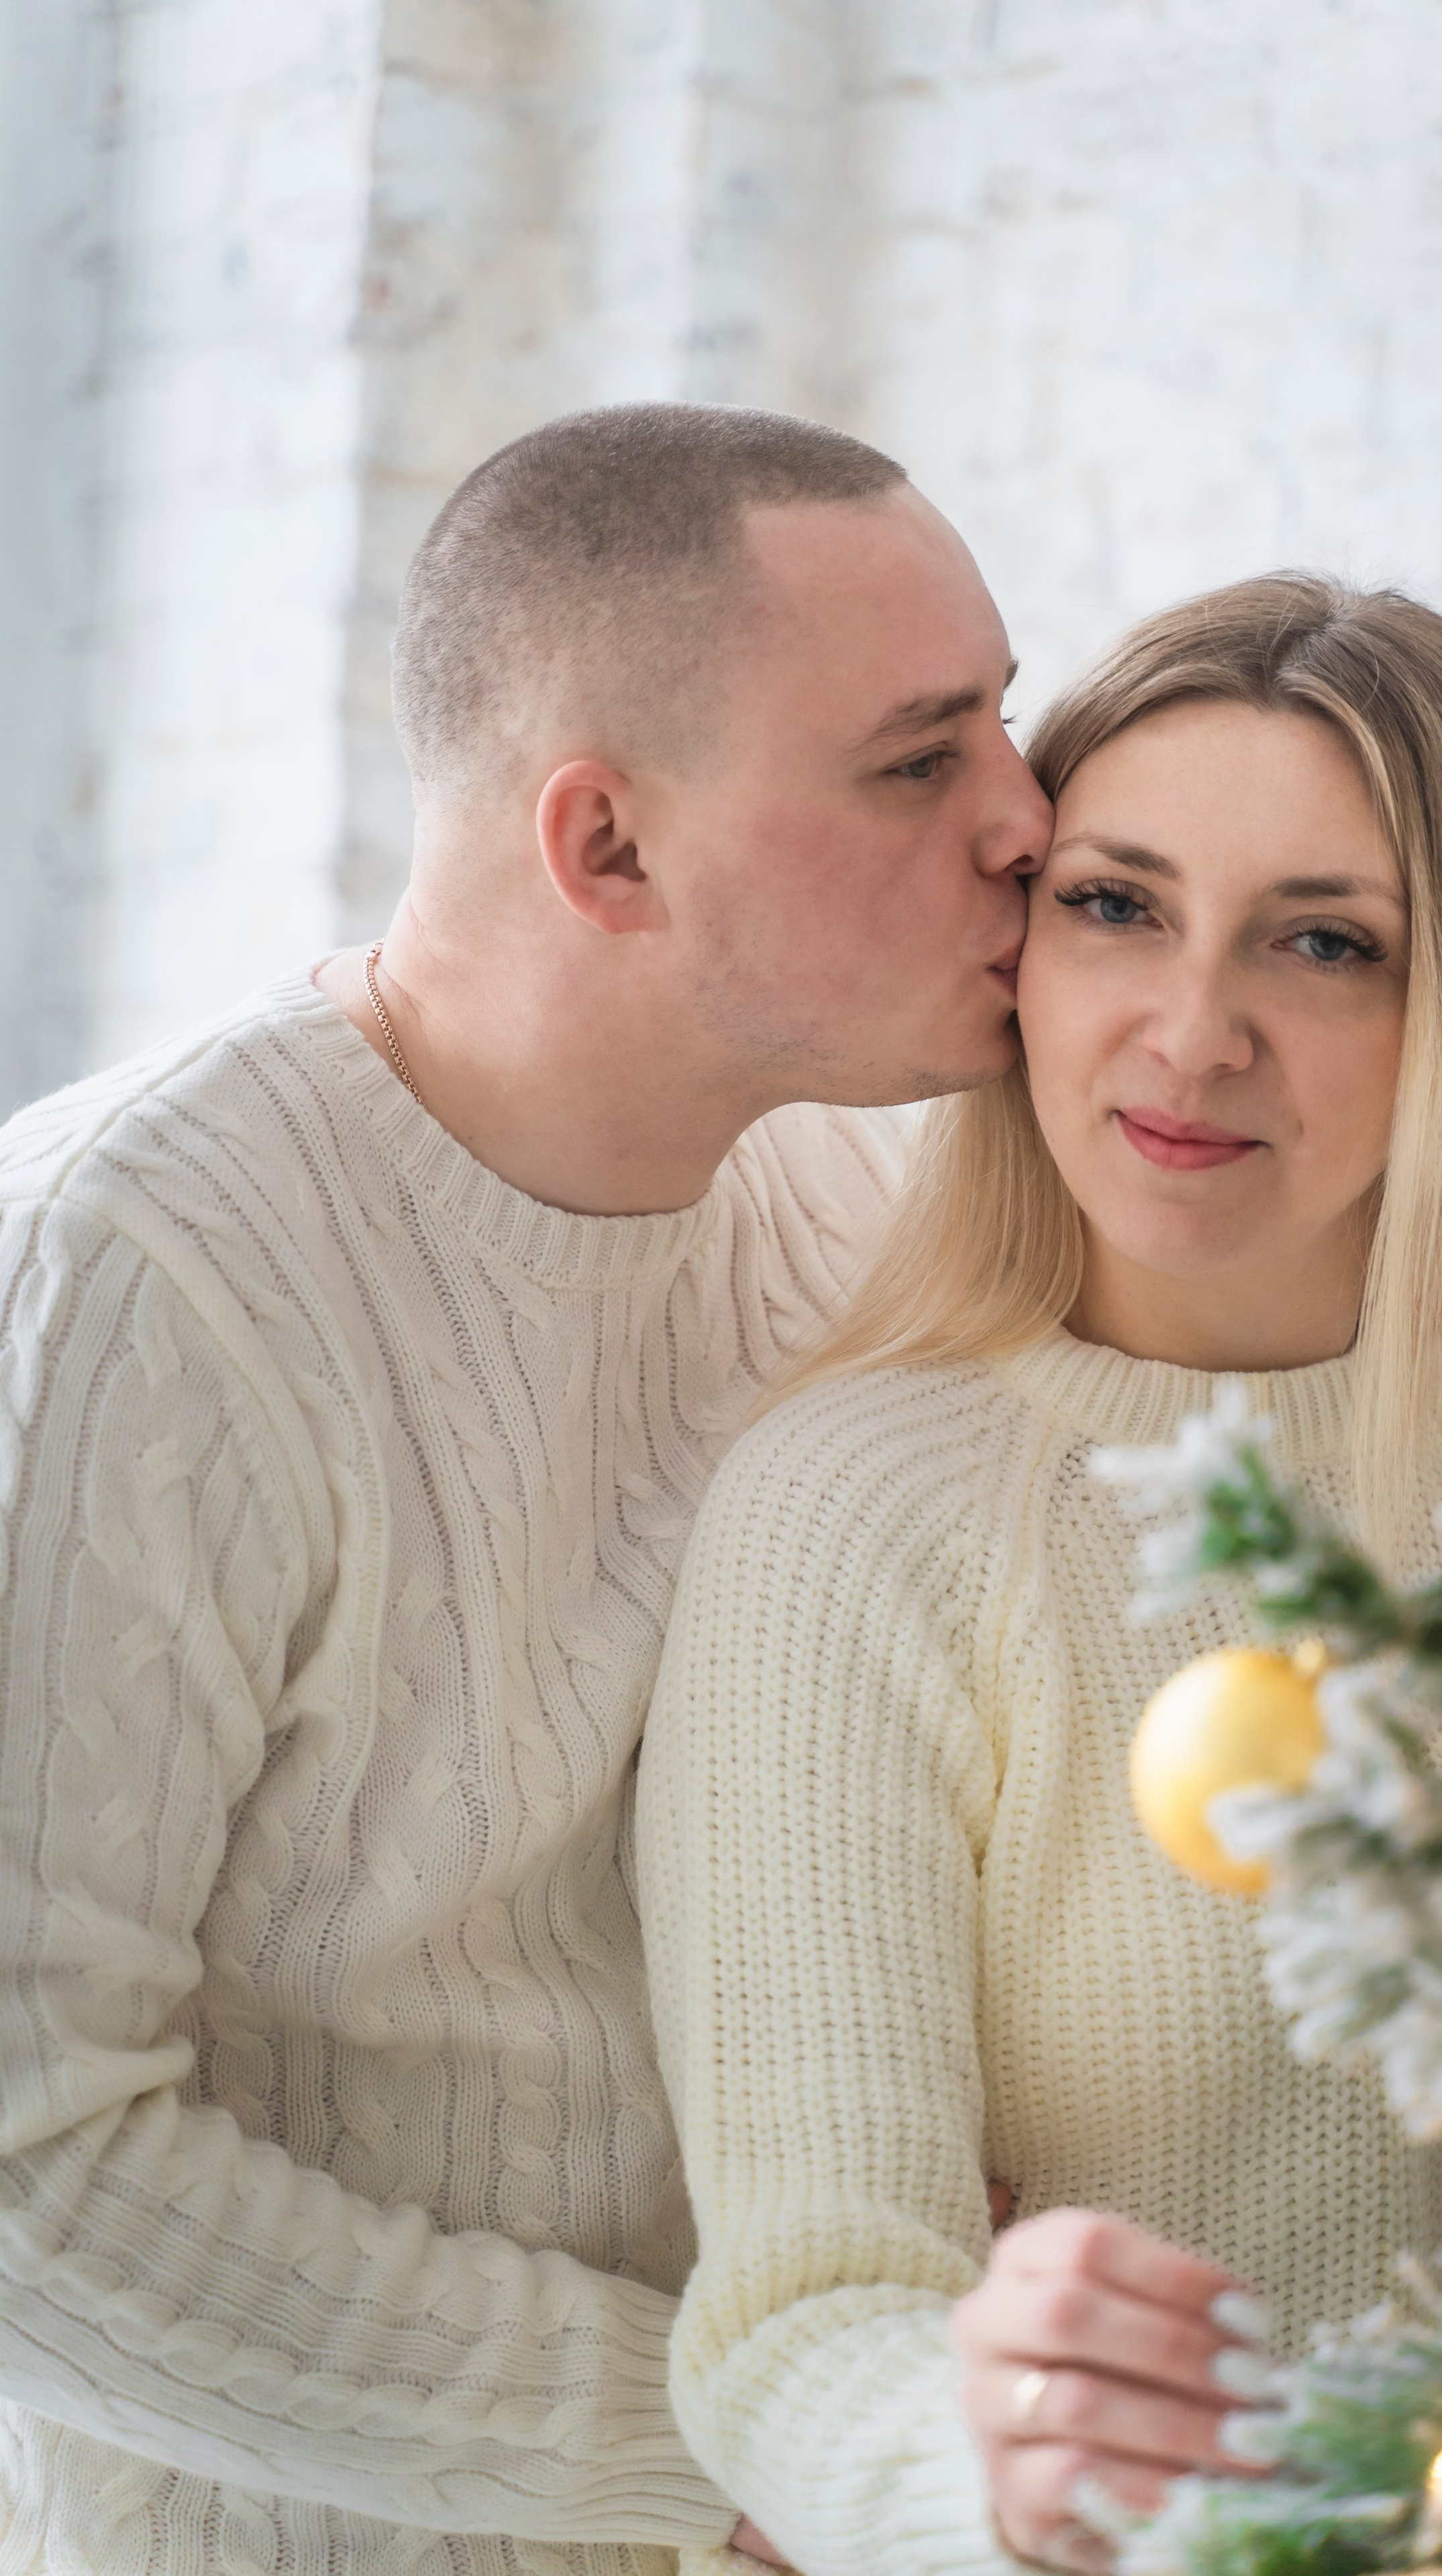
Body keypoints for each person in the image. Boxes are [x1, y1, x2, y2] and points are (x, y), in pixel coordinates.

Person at [0, 404, 1049, 2576]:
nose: (1028, 824)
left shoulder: (845, 1204)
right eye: (918, 761)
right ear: (610, 850)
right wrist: (731, 2447)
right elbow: (23, 2173)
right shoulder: (130, 1274)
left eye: (1007, 733)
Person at [639, 574, 1442, 2576]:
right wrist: (997, 2479)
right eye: (1118, 906)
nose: (1195, 1032)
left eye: (1327, 943)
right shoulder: (859, 1512)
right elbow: (801, 2319)